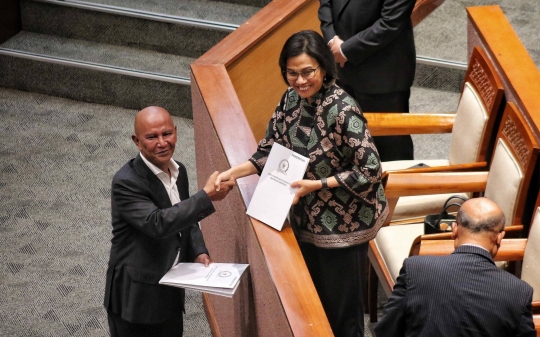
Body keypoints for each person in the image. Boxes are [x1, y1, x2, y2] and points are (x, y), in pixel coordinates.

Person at [215, 30, 388, 337]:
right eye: (291, 73)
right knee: (312, 307)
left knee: (343, 318)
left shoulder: (344, 110)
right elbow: (271, 147)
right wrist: (235, 172)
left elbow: (371, 170)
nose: (300, 80)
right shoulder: (291, 98)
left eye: (308, 72)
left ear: (323, 67)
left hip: (344, 229)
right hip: (303, 218)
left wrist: (318, 185)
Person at [103, 106, 234, 337]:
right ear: (137, 141)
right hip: (136, 296)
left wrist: (198, 250)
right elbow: (157, 223)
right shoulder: (126, 182)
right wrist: (205, 196)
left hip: (170, 287)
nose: (162, 143)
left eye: (167, 134)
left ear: (175, 131)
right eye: (152, 137)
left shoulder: (179, 170)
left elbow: (185, 216)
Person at [375, 197, 536, 337]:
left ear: (454, 230)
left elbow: (386, 330)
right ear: (500, 237)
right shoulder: (518, 293)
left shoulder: (416, 270)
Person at [318, 0, 416, 162]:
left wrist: (345, 50)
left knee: (390, 148)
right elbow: (326, 3)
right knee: (347, 137)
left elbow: (390, 22)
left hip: (383, 73)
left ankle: (396, 186)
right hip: (342, 66)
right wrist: (331, 39)